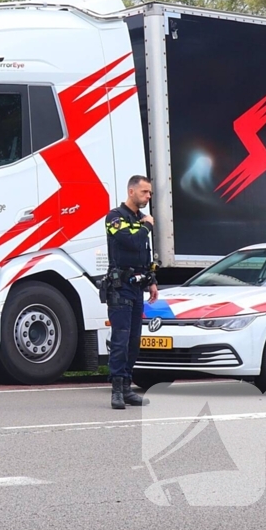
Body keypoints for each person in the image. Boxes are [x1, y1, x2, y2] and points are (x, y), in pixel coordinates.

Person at [103, 175, 159, 409]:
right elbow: (131, 242)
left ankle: (127, 388)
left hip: (137, 287)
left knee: (134, 341)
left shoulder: (140, 219)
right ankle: (116, 391)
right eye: (145, 192)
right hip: (120, 287)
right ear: (131, 191)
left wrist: (151, 280)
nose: (148, 196)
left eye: (150, 193)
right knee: (121, 339)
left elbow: (143, 253)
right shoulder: (115, 217)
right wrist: (147, 226)